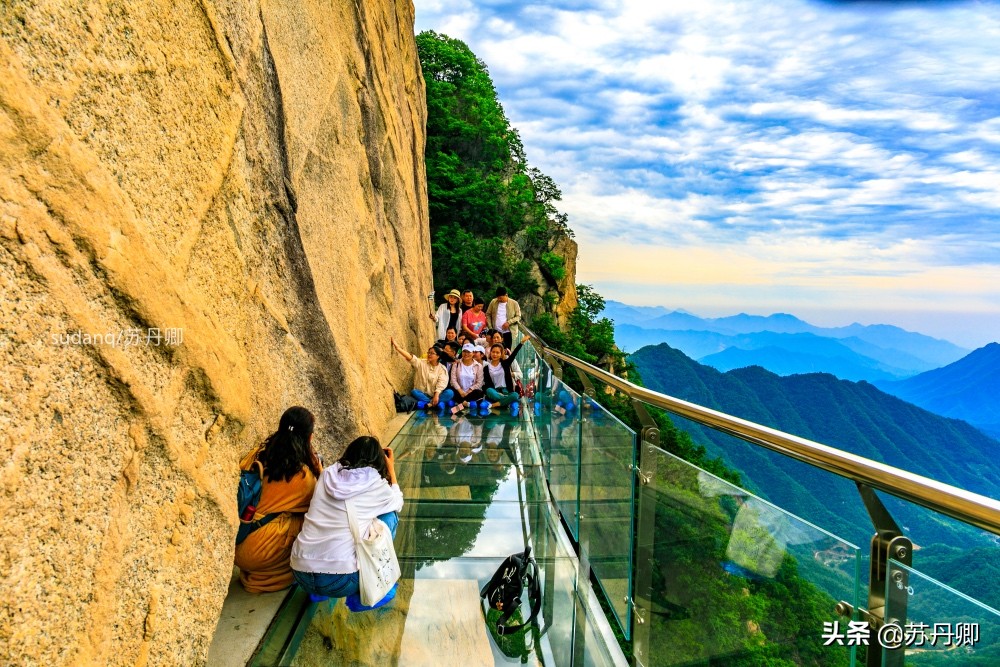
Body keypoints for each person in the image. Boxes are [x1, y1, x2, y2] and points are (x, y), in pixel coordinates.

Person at [291, 436, 404, 605]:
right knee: (390, 515)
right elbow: (398, 501)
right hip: (342, 581)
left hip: (300, 573)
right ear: (380, 459)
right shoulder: (376, 483)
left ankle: (318, 594)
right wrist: (392, 470)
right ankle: (360, 599)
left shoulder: (327, 474)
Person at [235, 406, 322, 593]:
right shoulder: (301, 476)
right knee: (313, 524)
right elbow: (325, 503)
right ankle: (271, 576)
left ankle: (260, 570)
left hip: (235, 542)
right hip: (256, 551)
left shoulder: (258, 453)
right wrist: (319, 469)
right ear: (309, 438)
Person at [483, 337, 528, 415]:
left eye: (497, 353)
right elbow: (488, 384)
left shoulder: (505, 364)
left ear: (501, 354)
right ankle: (505, 402)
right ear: (490, 353)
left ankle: (496, 404)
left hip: (506, 391)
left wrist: (521, 343)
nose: (495, 354)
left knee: (515, 395)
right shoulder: (486, 368)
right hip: (495, 392)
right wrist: (497, 393)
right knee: (489, 390)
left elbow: (514, 354)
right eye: (493, 352)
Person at [449, 343, 486, 414]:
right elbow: (453, 380)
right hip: (458, 392)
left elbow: (479, 382)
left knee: (479, 393)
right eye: (464, 351)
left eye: (468, 352)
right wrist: (460, 391)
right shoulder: (456, 364)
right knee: (451, 390)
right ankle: (465, 404)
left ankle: (461, 404)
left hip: (470, 393)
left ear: (473, 353)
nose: (466, 354)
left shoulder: (478, 366)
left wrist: (469, 391)